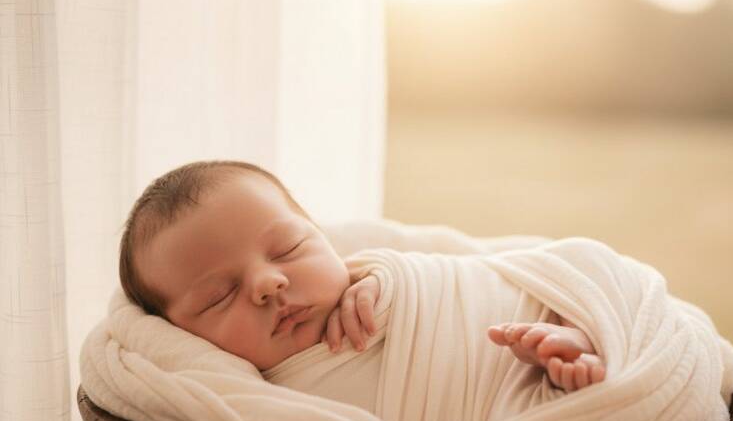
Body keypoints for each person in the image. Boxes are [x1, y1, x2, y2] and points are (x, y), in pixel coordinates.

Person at [119, 160, 605, 391]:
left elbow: (466, 278)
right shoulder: (250, 396)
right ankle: (564, 380)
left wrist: (387, 278)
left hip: (494, 331)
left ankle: (573, 336)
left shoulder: (381, 279)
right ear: (180, 334)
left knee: (532, 320)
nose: (268, 284)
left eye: (288, 248)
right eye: (220, 296)